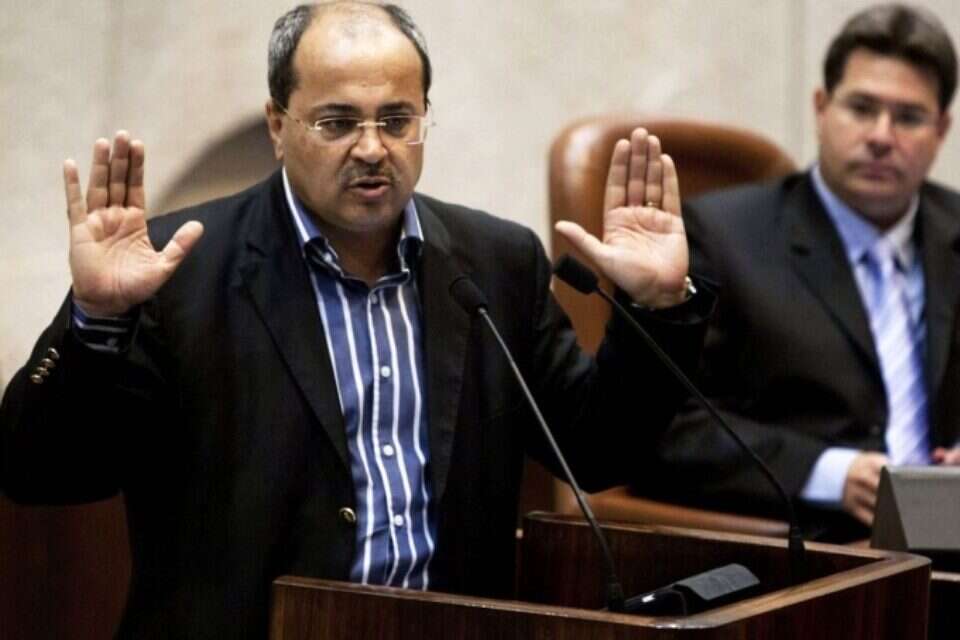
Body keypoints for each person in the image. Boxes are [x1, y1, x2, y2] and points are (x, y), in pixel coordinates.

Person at [0, 2, 710, 637]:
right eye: (337, 122)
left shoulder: (496, 263)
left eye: (397, 120)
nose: (372, 149)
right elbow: (39, 473)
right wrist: (97, 321)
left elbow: (598, 450)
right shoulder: (177, 269)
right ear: (278, 126)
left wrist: (659, 306)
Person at [634, 3, 960, 542]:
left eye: (908, 117)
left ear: (941, 130)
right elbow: (667, 426)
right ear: (821, 108)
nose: (882, 136)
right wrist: (831, 474)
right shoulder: (724, 237)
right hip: (813, 548)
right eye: (862, 108)